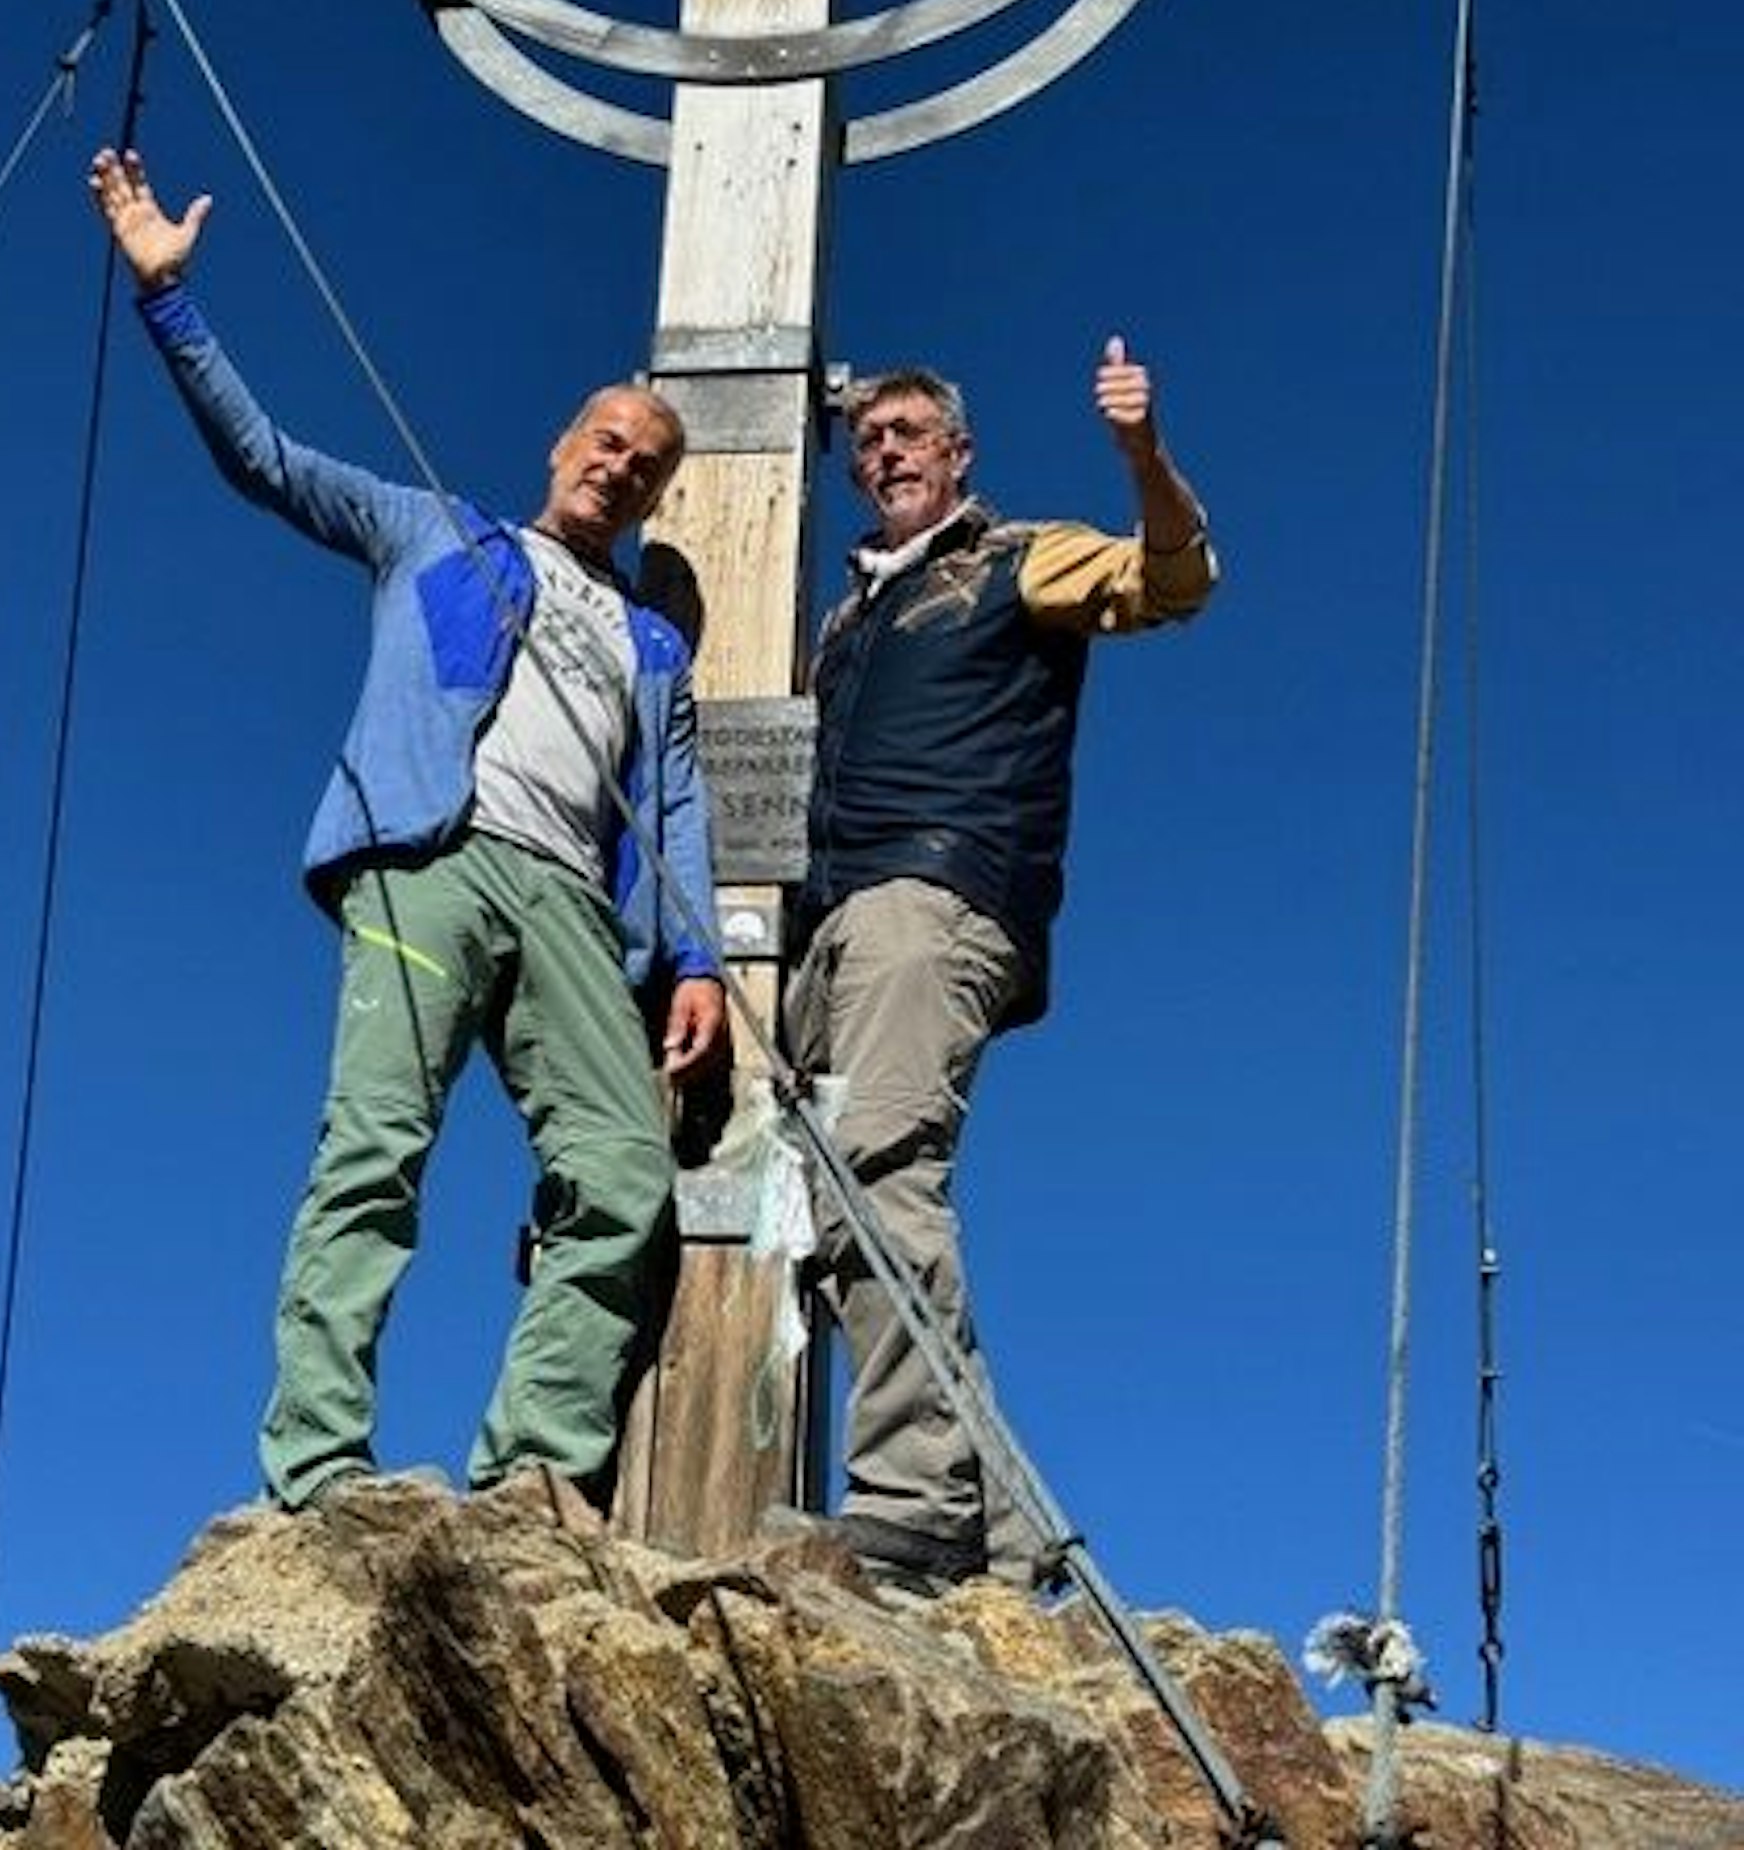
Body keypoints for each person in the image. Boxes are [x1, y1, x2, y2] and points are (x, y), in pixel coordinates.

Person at [88, 146, 726, 1514]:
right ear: (563, 445)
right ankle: (319, 1466)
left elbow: (671, 808)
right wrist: (170, 304)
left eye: (648, 464)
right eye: (606, 441)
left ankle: (535, 1476)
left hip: (572, 904)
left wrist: (697, 962)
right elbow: (263, 460)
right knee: (376, 1144)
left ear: (660, 498)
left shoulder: (651, 640)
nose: (621, 467)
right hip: (430, 864)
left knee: (623, 1177)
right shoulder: (429, 530)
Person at [789, 338, 1215, 1591]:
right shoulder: (844, 617)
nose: (887, 451)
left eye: (910, 430)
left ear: (957, 451)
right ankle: (1007, 1531)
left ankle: (915, 1495)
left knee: (877, 1174)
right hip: (834, 923)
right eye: (869, 439)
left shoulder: (1017, 556)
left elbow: (1174, 579)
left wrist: (1140, 451)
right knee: (845, 1203)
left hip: (934, 895)